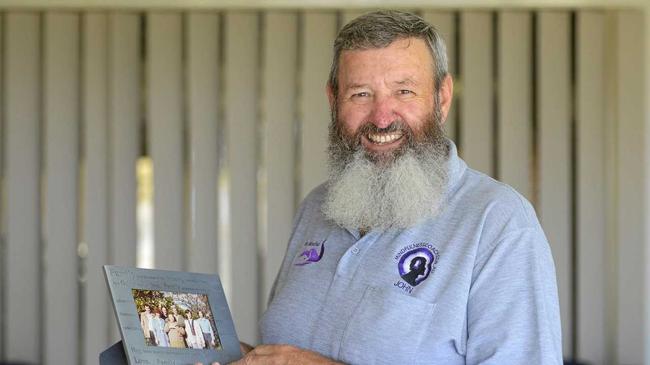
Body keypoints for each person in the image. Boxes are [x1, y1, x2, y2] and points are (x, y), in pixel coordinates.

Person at [210, 9, 562, 365]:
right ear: (333, 101)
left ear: (442, 98)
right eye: (361, 94)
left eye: (404, 91)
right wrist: (244, 357)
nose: (381, 117)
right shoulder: (318, 207)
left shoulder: (497, 223)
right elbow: (289, 354)